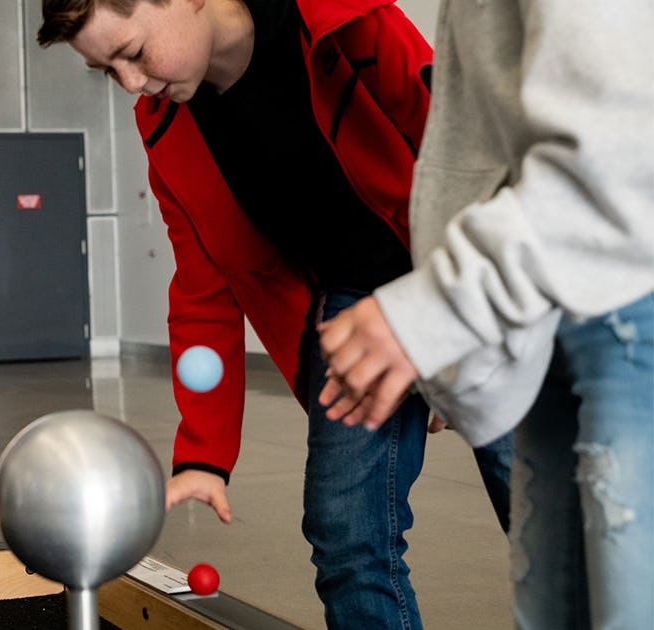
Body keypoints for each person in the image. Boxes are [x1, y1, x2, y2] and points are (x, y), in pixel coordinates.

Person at [37, 1, 513, 627]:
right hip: (352, 304)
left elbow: (467, 151)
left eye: (133, 53)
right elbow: (203, 292)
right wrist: (203, 454)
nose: (131, 83)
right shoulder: (167, 127)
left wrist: (449, 322)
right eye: (108, 70)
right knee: (346, 535)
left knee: (542, 501)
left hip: (468, 268)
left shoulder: (341, 20)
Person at [315, 2, 654, 627]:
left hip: (624, 311)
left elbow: (618, 152)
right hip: (546, 303)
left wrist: (436, 310)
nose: (132, 82)